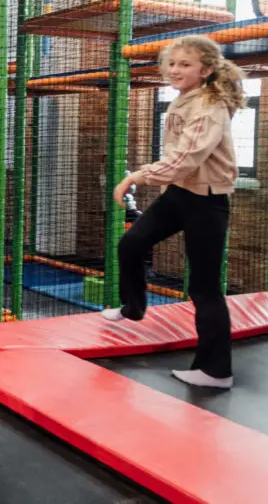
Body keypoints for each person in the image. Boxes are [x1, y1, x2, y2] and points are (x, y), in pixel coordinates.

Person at [102, 35, 245, 390]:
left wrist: (137, 176)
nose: (175, 70)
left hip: (206, 201)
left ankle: (216, 371)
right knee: (131, 243)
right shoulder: (186, 98)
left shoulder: (209, 106)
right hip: (179, 194)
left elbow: (185, 159)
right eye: (172, 64)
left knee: (204, 287)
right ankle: (133, 308)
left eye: (185, 65)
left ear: (206, 70)